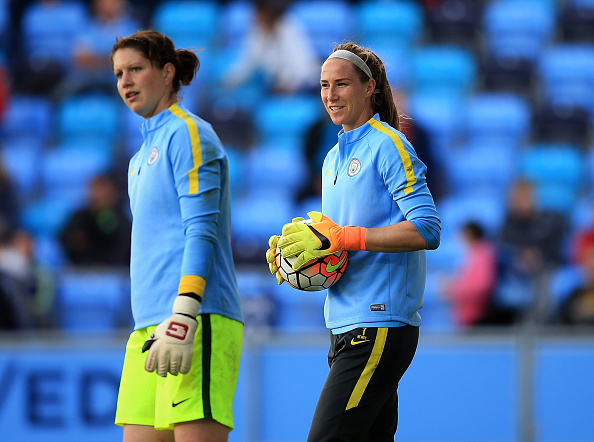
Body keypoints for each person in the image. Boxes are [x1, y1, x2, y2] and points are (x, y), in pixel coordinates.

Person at [266, 42, 441, 441]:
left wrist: (345, 237)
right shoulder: (330, 159)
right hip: (346, 324)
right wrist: (299, 256)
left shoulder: (389, 144)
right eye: (324, 85)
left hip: (378, 324)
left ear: (370, 88)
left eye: (341, 84)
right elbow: (335, 245)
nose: (330, 94)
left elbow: (427, 229)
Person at [110, 30, 243, 442]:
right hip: (146, 328)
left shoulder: (189, 133)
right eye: (118, 74)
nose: (126, 81)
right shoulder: (137, 159)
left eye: (136, 69)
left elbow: (200, 231)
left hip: (194, 319)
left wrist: (183, 314)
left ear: (167, 73)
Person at [221, 0, 320, 95]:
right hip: (276, 86)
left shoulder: (288, 28)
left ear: (268, 14)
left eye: (258, 14)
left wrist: (287, 83)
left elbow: (301, 68)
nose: (254, 18)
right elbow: (248, 62)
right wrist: (229, 81)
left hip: (304, 85)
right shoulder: (258, 32)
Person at [59, 173, 131, 267]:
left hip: (115, 273)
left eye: (104, 190)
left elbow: (124, 249)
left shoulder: (122, 220)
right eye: (96, 189)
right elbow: (65, 240)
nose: (99, 195)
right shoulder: (80, 217)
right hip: (82, 272)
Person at [442, 221, 498, 328]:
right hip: (468, 313)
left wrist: (455, 290)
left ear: (470, 234)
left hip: (478, 313)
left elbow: (482, 285)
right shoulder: (471, 253)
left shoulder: (483, 254)